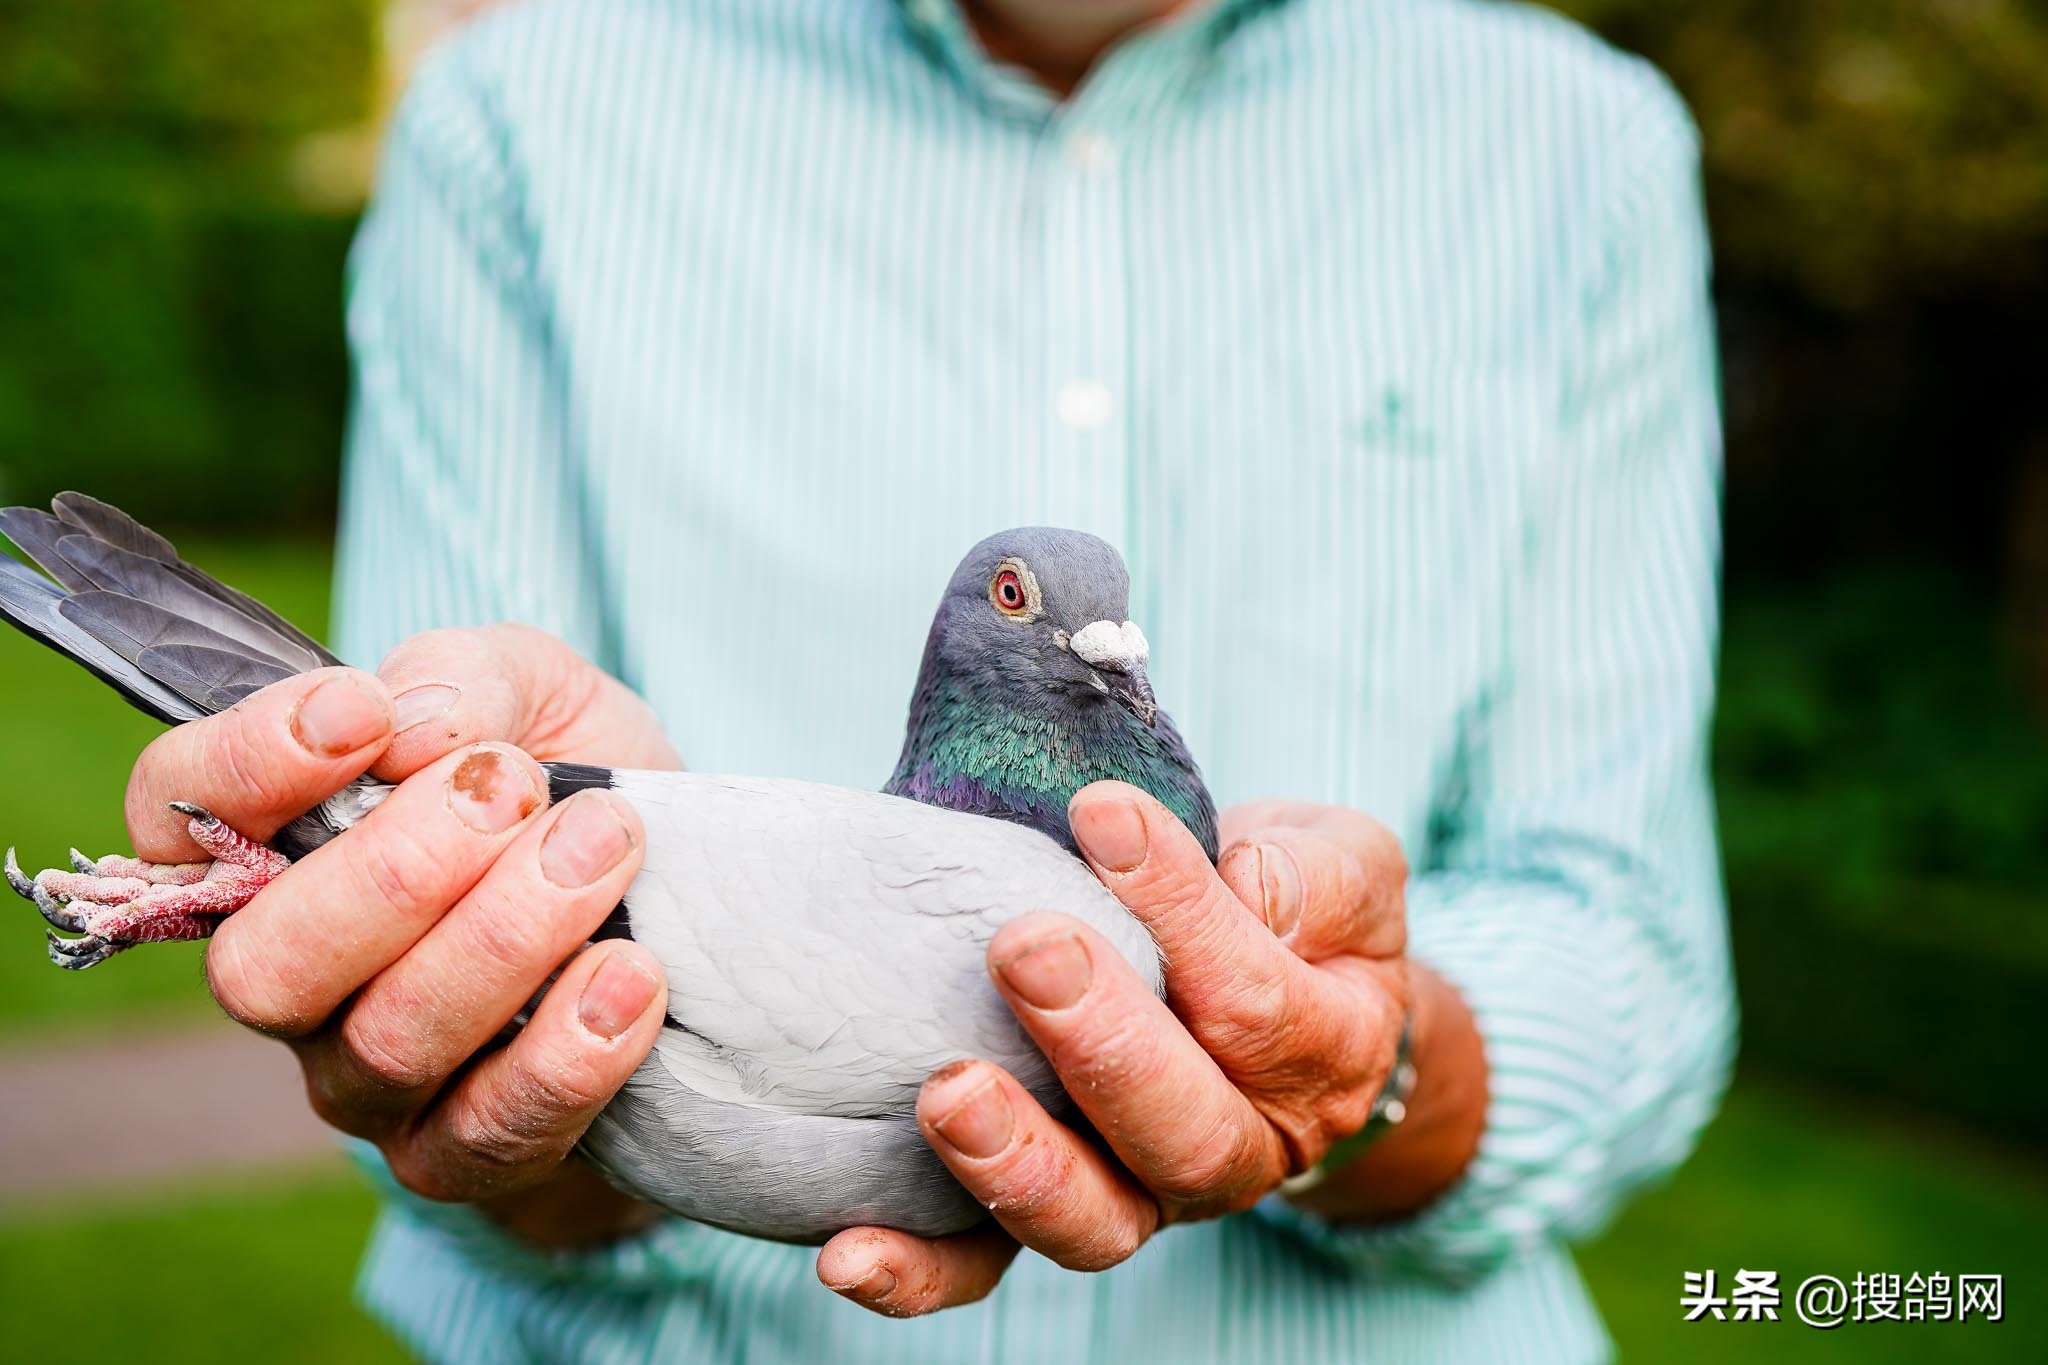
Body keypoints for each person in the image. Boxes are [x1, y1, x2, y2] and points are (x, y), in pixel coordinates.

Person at [121, 0, 1733, 1360]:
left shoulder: (1575, 151)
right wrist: (483, 1005)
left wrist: (1369, 1066)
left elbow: (1631, 948)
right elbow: (456, 1013)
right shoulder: (524, 114)